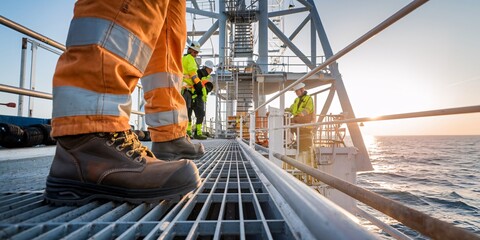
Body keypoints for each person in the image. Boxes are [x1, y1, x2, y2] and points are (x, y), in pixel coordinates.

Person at [45, 0, 202, 205]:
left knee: (167, 25)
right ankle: (91, 133)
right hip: (90, 137)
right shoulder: (192, 61)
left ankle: (169, 133)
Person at [189, 60, 214, 140]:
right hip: (196, 95)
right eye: (210, 70)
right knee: (196, 114)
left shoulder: (206, 76)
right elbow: (197, 84)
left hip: (197, 96)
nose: (211, 71)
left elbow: (208, 86)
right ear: (207, 68)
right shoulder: (200, 73)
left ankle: (193, 132)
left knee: (195, 114)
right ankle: (194, 133)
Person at [285, 82, 315, 150]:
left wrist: (302, 113)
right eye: (295, 91)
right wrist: (281, 111)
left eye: (297, 91)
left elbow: (308, 108)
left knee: (293, 120)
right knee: (287, 121)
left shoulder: (308, 98)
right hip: (297, 119)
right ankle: (289, 140)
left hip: (306, 118)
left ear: (302, 90)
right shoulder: (297, 100)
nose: (296, 93)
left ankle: (290, 141)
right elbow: (291, 109)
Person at [181, 41, 201, 137]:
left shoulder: (183, 58)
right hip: (187, 90)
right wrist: (199, 84)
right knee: (187, 111)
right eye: (194, 52)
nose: (195, 54)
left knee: (182, 111)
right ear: (189, 50)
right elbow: (193, 74)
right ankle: (186, 132)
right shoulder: (190, 59)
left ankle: (184, 131)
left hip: (181, 88)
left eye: (196, 52)